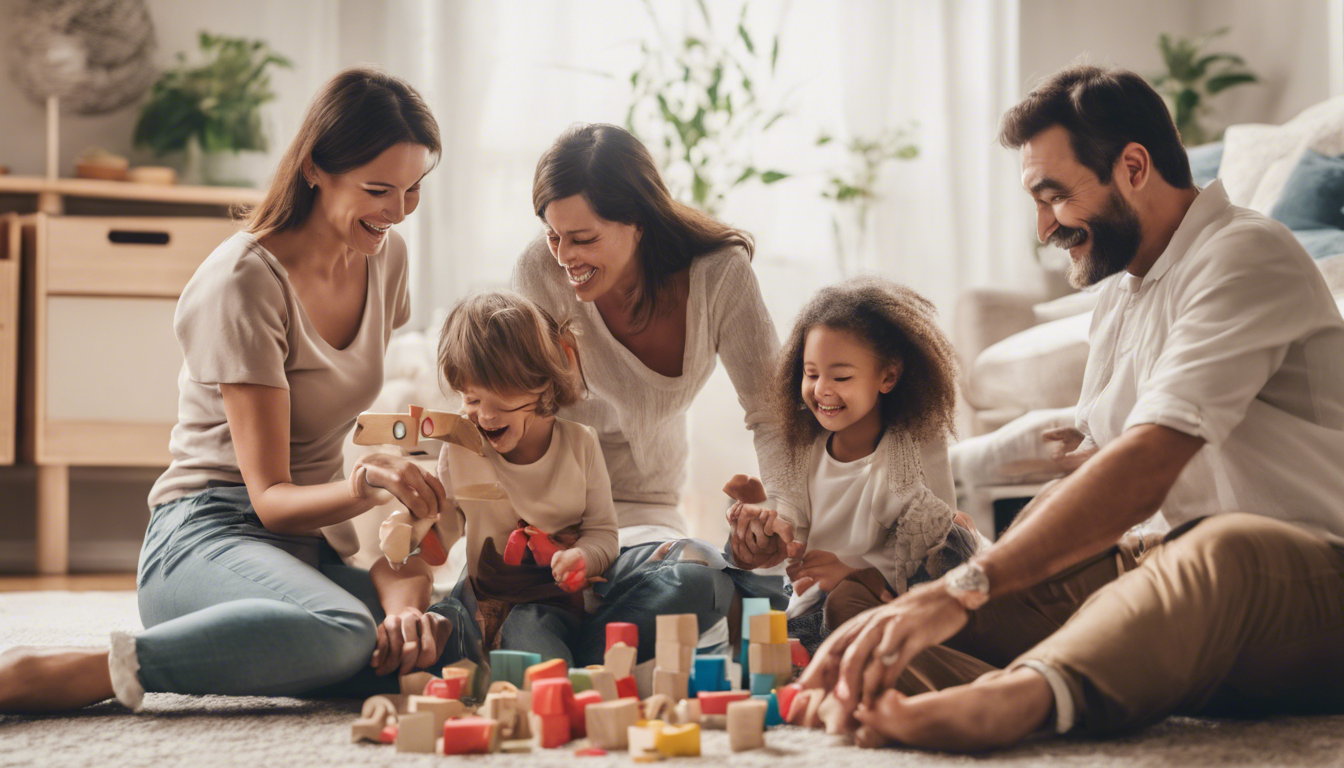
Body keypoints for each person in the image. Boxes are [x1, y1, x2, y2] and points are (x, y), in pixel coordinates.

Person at [788, 63, 1344, 751]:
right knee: (873, 616)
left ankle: (1017, 701)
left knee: (1219, 546)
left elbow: (1147, 463)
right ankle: (913, 685)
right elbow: (1090, 469)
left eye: (1053, 196)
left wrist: (966, 584)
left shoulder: (1246, 255)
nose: (1044, 226)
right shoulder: (1123, 288)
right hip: (1161, 567)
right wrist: (957, 589)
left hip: (1308, 583)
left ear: (1133, 168)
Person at [0, 67, 464, 713]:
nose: (397, 211)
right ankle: (81, 673)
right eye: (379, 189)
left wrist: (408, 608)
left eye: (414, 190)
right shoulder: (243, 282)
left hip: (309, 554)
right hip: (207, 538)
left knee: (449, 642)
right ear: (313, 168)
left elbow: (399, 553)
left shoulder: (386, 258)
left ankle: (285, 643)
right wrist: (363, 484)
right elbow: (270, 499)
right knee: (345, 633)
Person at [514, 123, 789, 665]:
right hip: (553, 518)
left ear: (638, 221)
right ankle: (571, 644)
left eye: (583, 238)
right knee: (532, 618)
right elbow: (520, 406)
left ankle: (565, 650)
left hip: (643, 514)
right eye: (553, 235)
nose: (564, 255)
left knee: (700, 580)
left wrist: (782, 512)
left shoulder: (718, 275)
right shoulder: (539, 272)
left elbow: (772, 413)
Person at [725, 277, 982, 643]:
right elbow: (783, 543)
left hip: (884, 604)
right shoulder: (801, 450)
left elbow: (934, 547)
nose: (821, 389)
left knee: (955, 537)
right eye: (811, 373)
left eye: (841, 376)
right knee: (726, 592)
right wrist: (760, 527)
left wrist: (853, 572)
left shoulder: (918, 442)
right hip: (810, 612)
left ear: (888, 376)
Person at [433, 291, 619, 665]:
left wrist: (582, 557)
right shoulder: (461, 447)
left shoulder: (580, 445)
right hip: (479, 598)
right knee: (434, 637)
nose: (484, 416)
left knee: (532, 648)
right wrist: (412, 523)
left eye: (500, 401)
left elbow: (604, 534)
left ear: (544, 385)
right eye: (471, 400)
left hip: (549, 600)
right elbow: (441, 538)